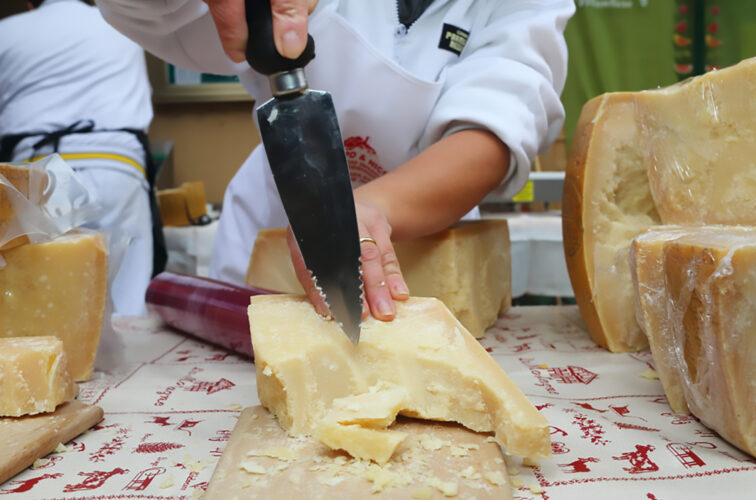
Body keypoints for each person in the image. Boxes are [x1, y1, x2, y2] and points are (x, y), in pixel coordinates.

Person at [96, 0, 573, 321]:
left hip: (434, 250)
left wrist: (371, 209)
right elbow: (149, 14)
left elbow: (501, 118)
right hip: (270, 240)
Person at [0, 0, 163, 317]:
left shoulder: (6, 32)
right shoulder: (125, 27)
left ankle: (57, 364)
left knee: (49, 296)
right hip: (119, 166)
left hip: (40, 176)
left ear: (31, 2)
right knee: (128, 294)